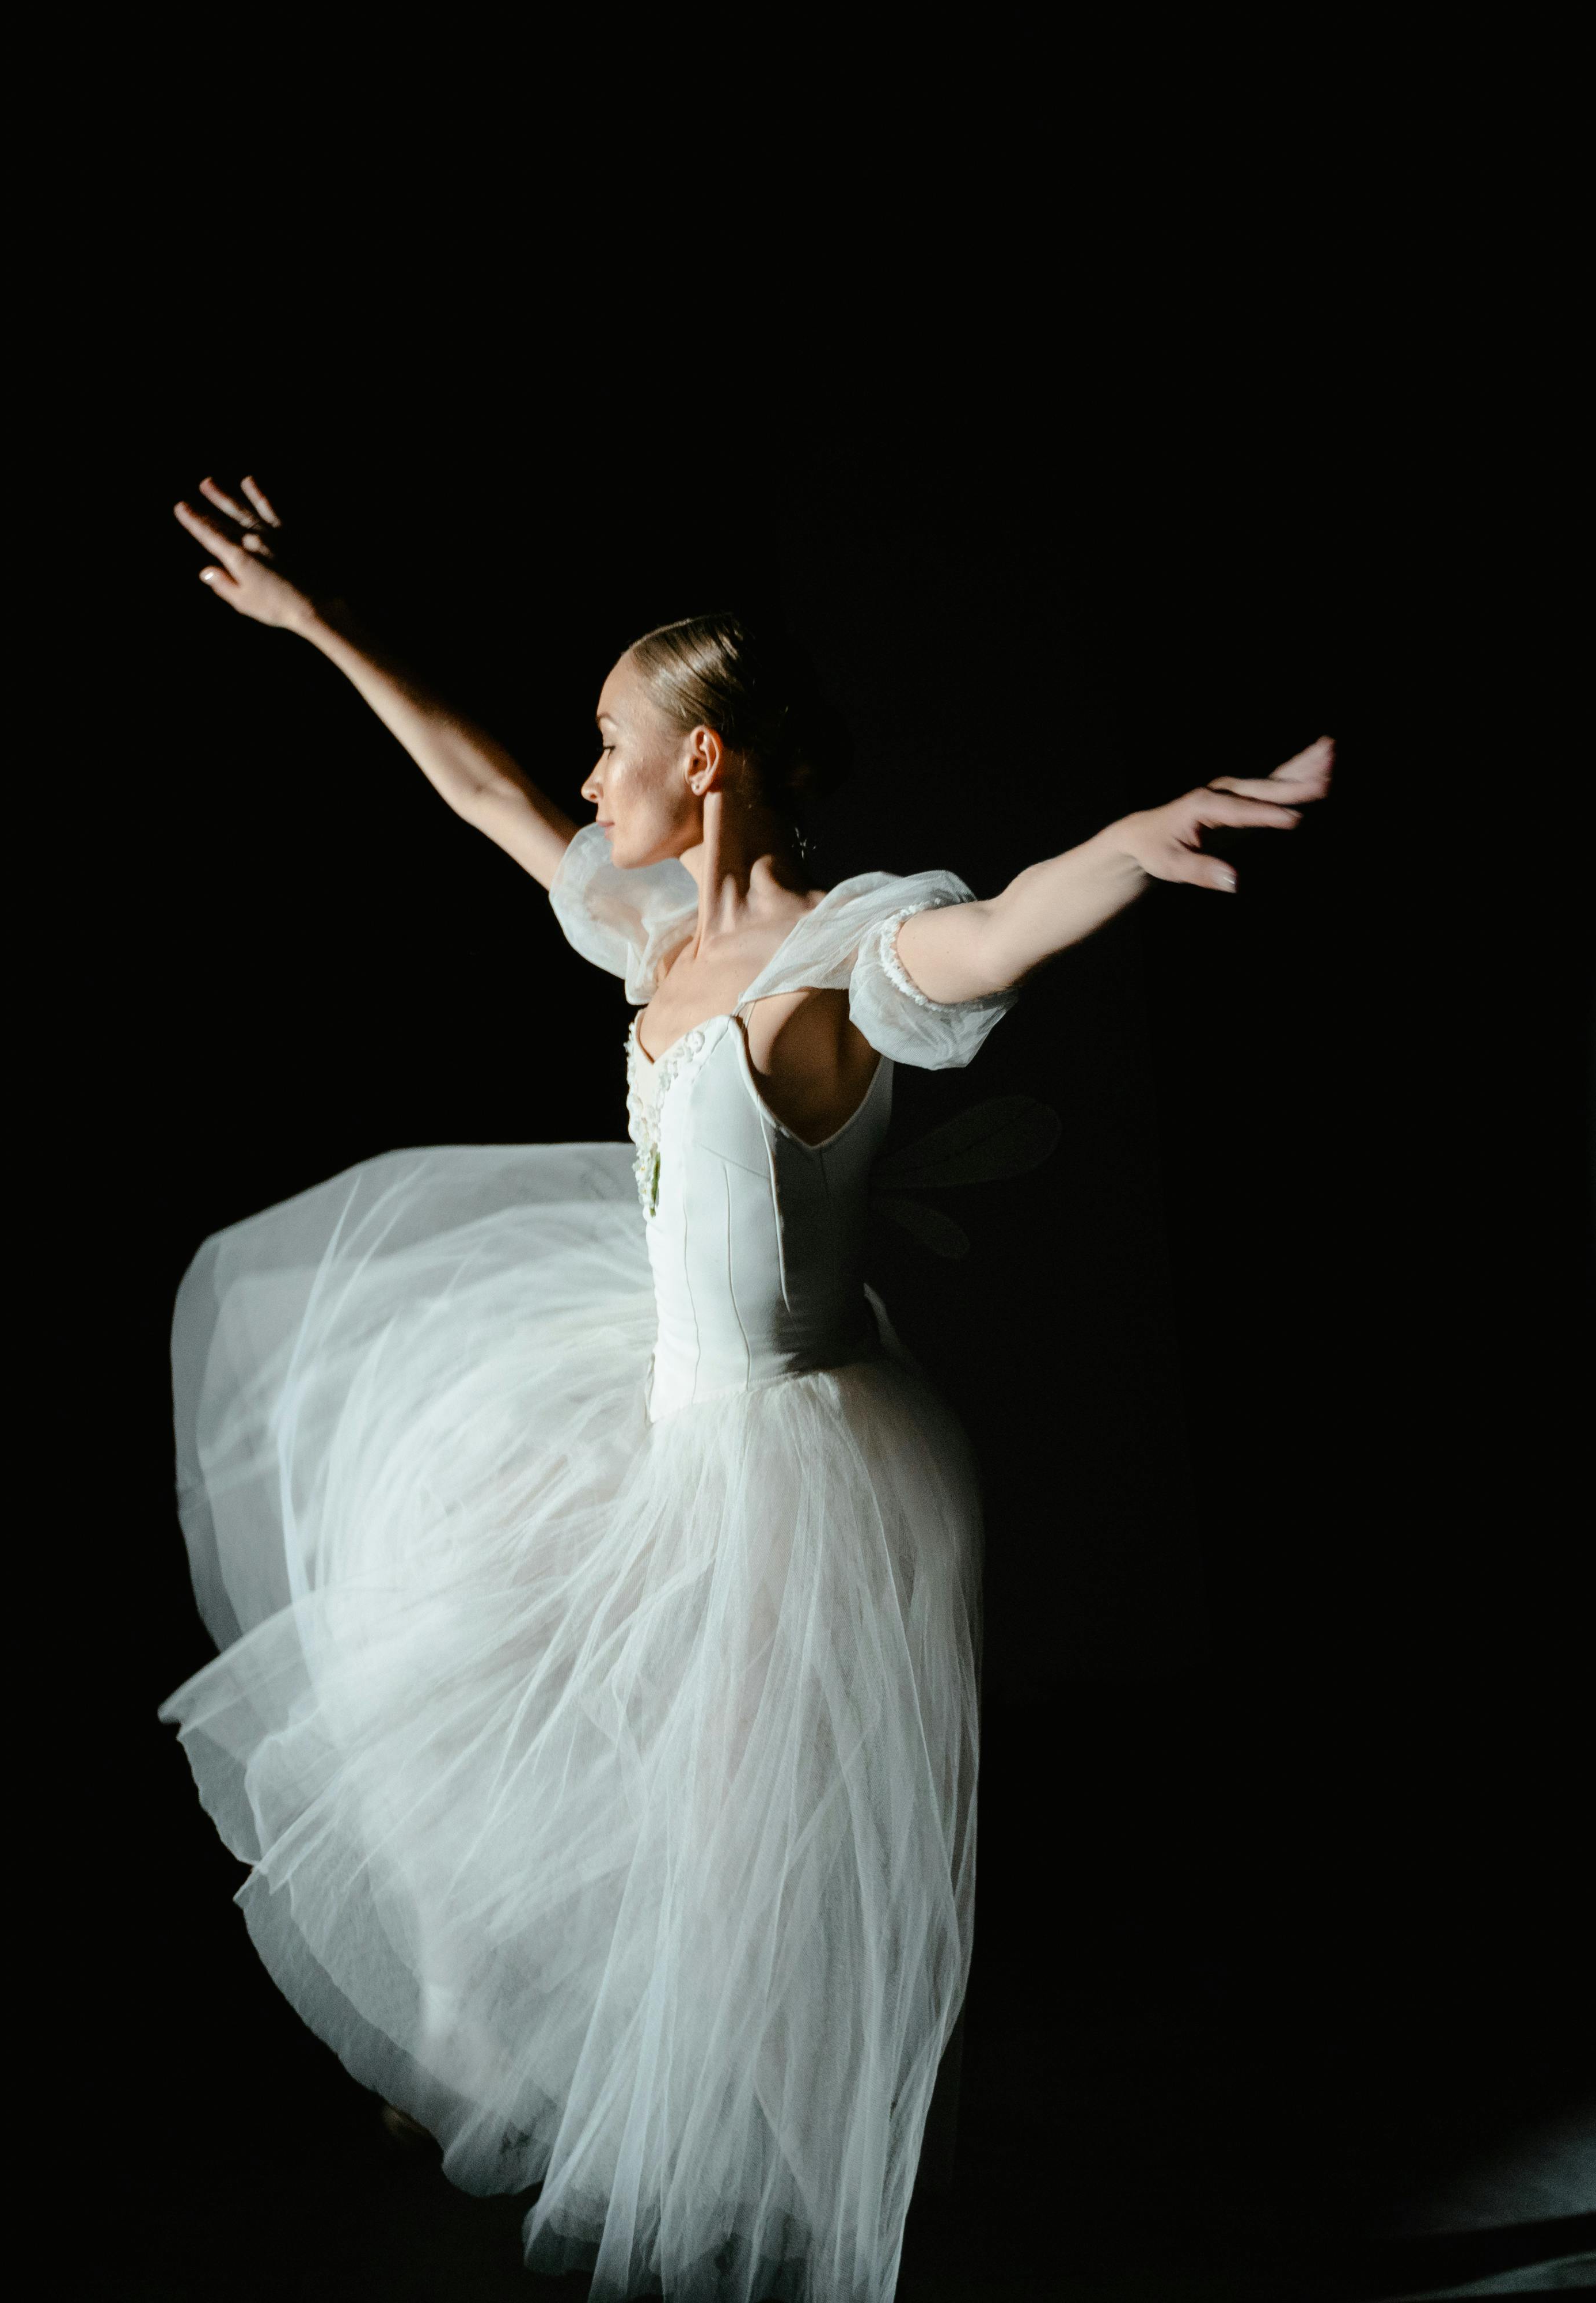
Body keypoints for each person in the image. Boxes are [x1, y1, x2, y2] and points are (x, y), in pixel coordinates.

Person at [157, 474, 1330, 2302]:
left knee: (737, 1857)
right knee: (441, 1676)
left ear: (702, 760)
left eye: (614, 741)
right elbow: (485, 791)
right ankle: (482, 2035)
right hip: (645, 1410)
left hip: (790, 1454)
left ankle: (771, 2202)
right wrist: (319, 626)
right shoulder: (650, 937)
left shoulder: (837, 962)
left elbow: (1000, 929)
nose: (591, 771)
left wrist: (1136, 840)